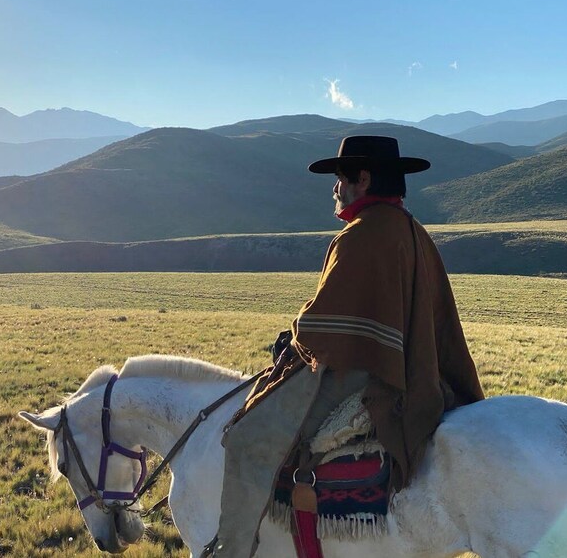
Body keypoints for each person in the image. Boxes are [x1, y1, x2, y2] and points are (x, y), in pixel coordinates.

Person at [206, 135, 485, 558]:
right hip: (417, 368)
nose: (335, 189)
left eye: (340, 178)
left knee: (249, 437)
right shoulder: (414, 231)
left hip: (370, 374)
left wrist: (294, 337)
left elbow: (322, 328)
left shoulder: (359, 236)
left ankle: (231, 550)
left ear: (364, 178)